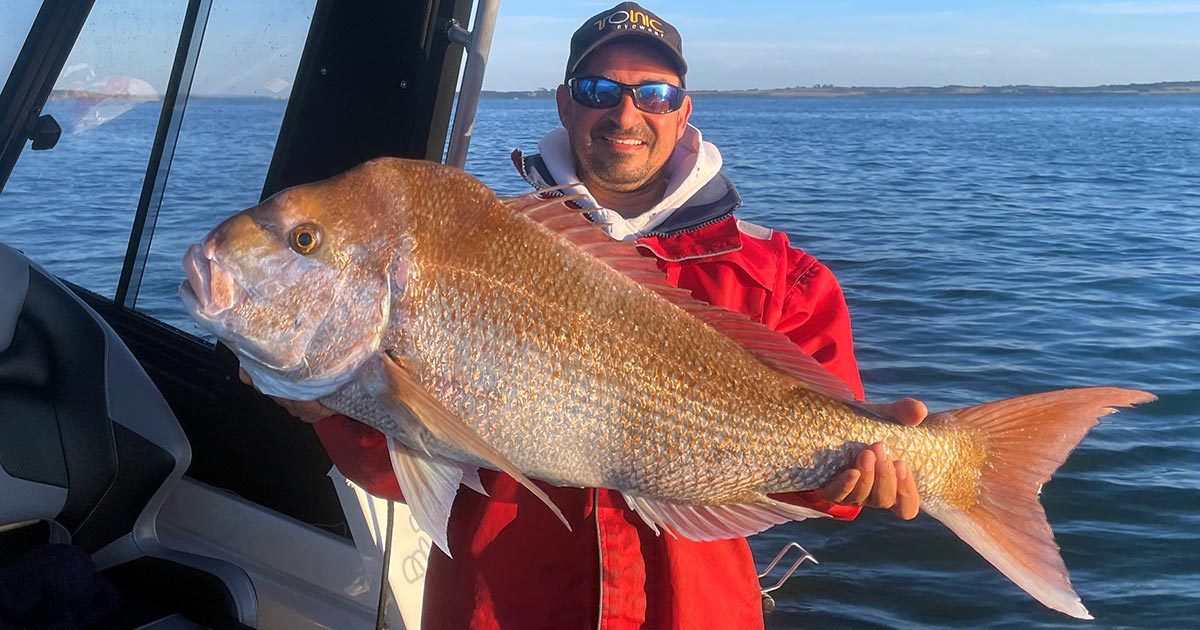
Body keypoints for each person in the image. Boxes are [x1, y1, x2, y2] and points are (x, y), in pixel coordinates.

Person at [252, 3, 928, 628]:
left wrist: (859, 480)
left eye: (654, 93)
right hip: (500, 610)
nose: (626, 113)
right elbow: (399, 474)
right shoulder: (473, 247)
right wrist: (336, 407)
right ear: (565, 104)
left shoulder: (784, 277)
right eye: (599, 91)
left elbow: (831, 485)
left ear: (684, 110)